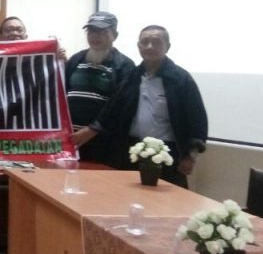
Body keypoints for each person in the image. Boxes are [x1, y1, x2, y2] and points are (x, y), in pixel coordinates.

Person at [82, 25, 208, 188]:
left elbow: (197, 120)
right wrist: (89, 131)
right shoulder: (131, 77)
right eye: (145, 42)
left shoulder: (181, 79)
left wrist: (190, 157)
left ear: (167, 46)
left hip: (167, 155)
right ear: (138, 46)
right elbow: (111, 111)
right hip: (131, 152)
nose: (149, 46)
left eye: (156, 42)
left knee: (166, 201)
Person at [65, 12, 135, 164]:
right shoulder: (76, 59)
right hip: (70, 140)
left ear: (115, 35)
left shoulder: (125, 66)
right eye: (91, 32)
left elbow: (120, 106)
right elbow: (60, 93)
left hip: (103, 144)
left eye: (102, 32)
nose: (95, 36)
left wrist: (92, 130)